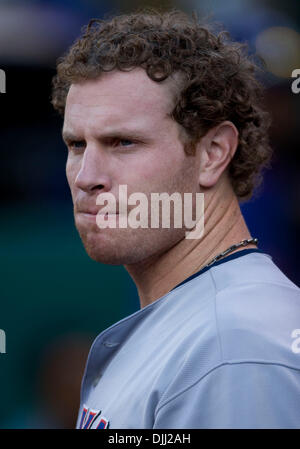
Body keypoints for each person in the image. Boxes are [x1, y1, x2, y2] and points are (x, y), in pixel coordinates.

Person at [51, 9, 300, 429]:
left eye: (123, 142)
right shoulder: (206, 325)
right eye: (76, 144)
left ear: (213, 153)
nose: (87, 177)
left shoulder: (234, 350)